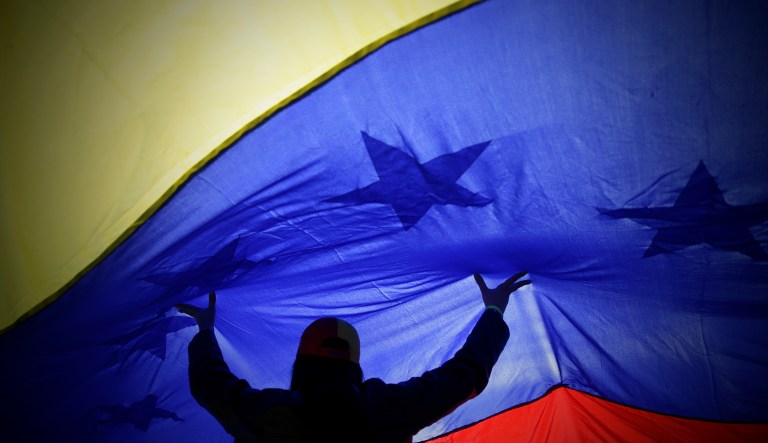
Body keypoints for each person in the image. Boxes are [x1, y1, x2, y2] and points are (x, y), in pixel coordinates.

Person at [177, 272, 530, 442]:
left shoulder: (267, 413)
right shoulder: (387, 407)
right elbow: (464, 375)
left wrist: (205, 330)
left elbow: (211, 385)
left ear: (301, 364)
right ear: (354, 365)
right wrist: (494, 311)